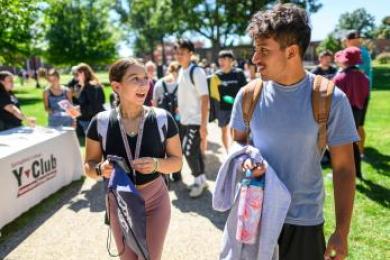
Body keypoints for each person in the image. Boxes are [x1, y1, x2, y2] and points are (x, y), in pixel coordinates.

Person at [230, 4, 358, 259]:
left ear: (291, 52)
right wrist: (244, 161)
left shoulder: (331, 98)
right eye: (255, 49)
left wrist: (341, 232)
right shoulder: (248, 96)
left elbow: (344, 169)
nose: (255, 59)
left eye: (264, 51)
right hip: (254, 217)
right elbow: (237, 144)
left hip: (304, 224)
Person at [84, 57, 182, 260]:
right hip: (120, 203)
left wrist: (157, 164)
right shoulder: (100, 122)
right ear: (116, 86)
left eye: (145, 78)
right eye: (135, 78)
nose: (143, 84)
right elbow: (89, 167)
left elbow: (177, 162)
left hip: (155, 200)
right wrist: (101, 169)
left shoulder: (163, 118)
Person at [175, 39, 210, 198]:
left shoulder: (196, 71)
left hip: (195, 121)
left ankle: (197, 181)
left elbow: (205, 99)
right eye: (177, 52)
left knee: (188, 151)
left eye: (182, 53)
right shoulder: (182, 71)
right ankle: (201, 179)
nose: (179, 55)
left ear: (191, 53)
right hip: (183, 120)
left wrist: (203, 125)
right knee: (193, 151)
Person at [333, 47, 369, 179]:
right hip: (358, 114)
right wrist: (361, 121)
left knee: (340, 147)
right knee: (353, 144)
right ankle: (357, 172)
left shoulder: (339, 78)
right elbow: (366, 100)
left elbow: (331, 101)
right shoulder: (364, 78)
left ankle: (344, 173)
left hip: (341, 115)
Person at [343, 30, 372, 157]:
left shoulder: (361, 54)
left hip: (359, 94)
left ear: (351, 40)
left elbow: (353, 72)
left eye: (346, 40)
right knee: (354, 125)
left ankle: (360, 152)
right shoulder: (355, 52)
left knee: (357, 125)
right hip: (353, 93)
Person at [213, 50, 247, 152]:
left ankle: (233, 150)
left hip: (237, 108)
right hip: (222, 109)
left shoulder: (239, 73)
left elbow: (245, 90)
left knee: (234, 131)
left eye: (225, 59)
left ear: (231, 61)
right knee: (223, 131)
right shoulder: (216, 75)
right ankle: (228, 151)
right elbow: (213, 94)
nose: (222, 61)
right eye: (220, 59)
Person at [153, 61, 182, 182]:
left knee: (162, 147)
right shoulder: (181, 84)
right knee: (176, 147)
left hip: (161, 120)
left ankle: (165, 174)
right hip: (177, 119)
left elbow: (154, 102)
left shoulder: (159, 83)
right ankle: (176, 174)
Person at [74, 63, 105, 134]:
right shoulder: (91, 85)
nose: (76, 77)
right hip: (91, 119)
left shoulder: (90, 86)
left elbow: (94, 106)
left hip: (90, 120)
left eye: (77, 74)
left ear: (82, 73)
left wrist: (79, 108)